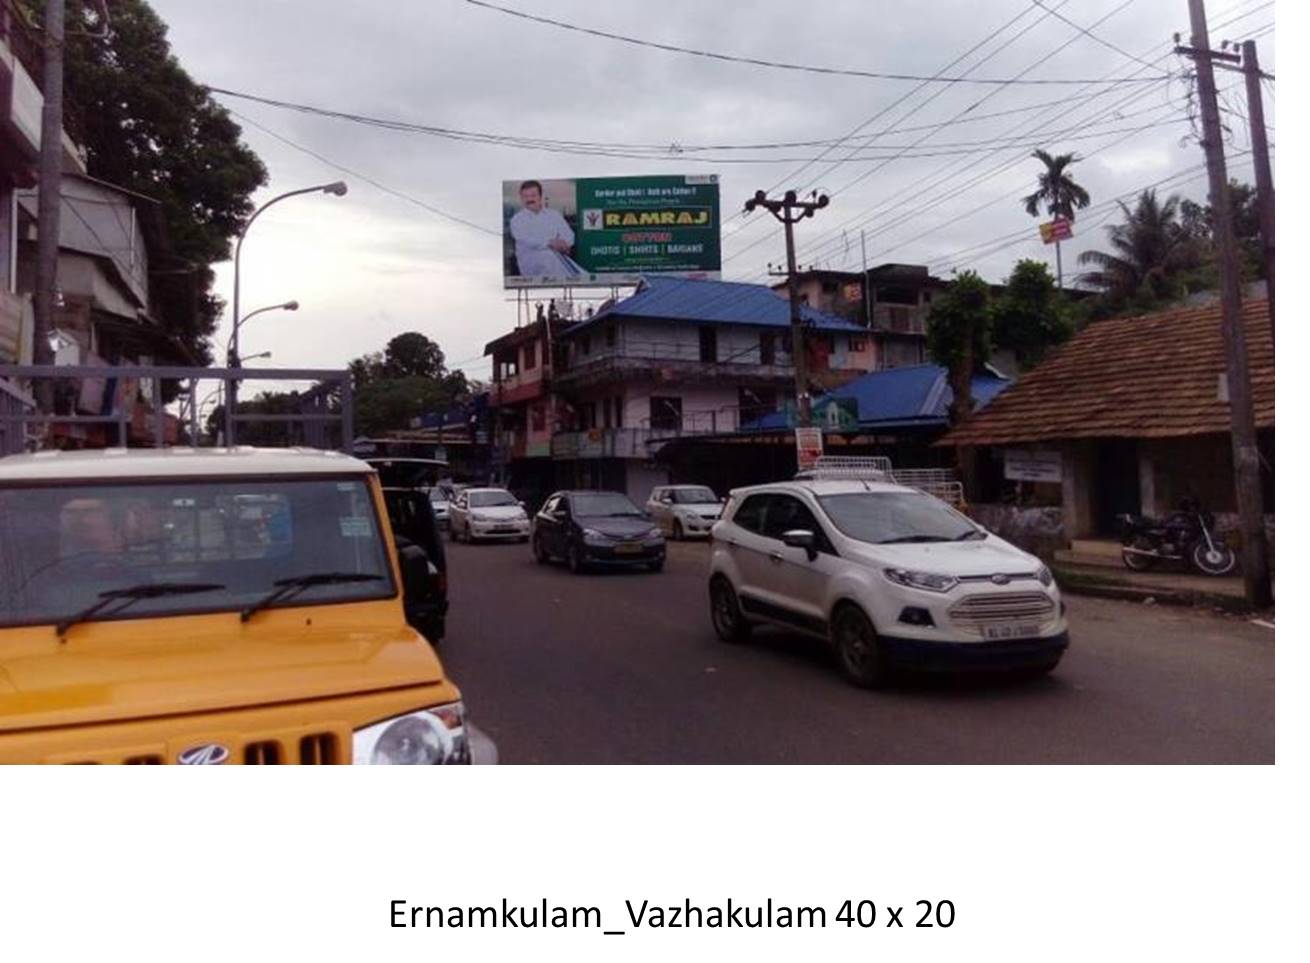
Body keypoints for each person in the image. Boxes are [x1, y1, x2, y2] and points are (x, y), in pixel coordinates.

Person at [509, 180, 584, 279]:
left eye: (533, 195)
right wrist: (551, 243)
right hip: (534, 263)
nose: (529, 199)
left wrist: (565, 244)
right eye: (525, 196)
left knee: (581, 276)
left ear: (540, 196)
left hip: (559, 258)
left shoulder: (554, 215)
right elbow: (528, 241)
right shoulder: (517, 220)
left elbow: (569, 234)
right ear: (521, 198)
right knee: (549, 258)